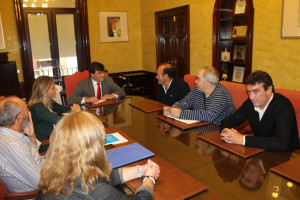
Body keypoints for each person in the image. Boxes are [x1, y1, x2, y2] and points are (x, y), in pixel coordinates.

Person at [38, 111, 160, 199]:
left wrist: (141, 170)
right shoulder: (94, 191)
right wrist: (149, 179)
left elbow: (103, 176)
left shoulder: (51, 174)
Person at [220, 70, 299, 151]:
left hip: (288, 155)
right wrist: (226, 131)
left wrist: (243, 140)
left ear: (269, 90)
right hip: (261, 150)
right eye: (249, 92)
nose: (251, 97)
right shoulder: (250, 103)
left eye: (256, 91)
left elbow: (281, 143)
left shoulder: (283, 107)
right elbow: (230, 120)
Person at [163, 66, 235, 125]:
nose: (195, 81)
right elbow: (184, 102)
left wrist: (181, 113)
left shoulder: (221, 94)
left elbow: (209, 116)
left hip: (219, 131)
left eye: (198, 79)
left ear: (207, 82)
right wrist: (171, 109)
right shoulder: (197, 90)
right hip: (200, 126)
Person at [28, 76, 81, 153]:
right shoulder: (37, 108)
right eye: (53, 88)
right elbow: (59, 121)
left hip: (54, 139)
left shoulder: (49, 102)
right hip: (45, 146)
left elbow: (64, 109)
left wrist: (73, 109)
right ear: (44, 92)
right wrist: (75, 112)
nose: (56, 89)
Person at [0, 96, 42, 192]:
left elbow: (34, 160)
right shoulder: (13, 145)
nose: (29, 112)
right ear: (19, 117)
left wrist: (32, 139)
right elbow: (41, 182)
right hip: (38, 196)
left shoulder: (11, 136)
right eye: (27, 109)